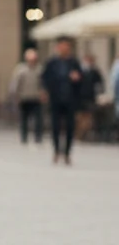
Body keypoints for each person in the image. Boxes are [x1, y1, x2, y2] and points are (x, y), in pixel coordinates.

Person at [41, 36, 83, 165]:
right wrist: (45, 91)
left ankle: (67, 152)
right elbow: (45, 78)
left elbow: (82, 80)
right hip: (56, 99)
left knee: (70, 127)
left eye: (67, 46)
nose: (65, 48)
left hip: (70, 99)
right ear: (58, 47)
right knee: (55, 126)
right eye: (63, 46)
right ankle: (56, 150)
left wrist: (77, 78)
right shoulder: (52, 63)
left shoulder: (74, 63)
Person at [9, 48, 44, 145]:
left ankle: (38, 137)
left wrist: (43, 93)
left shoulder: (39, 69)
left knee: (38, 119)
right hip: (24, 97)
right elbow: (15, 83)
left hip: (36, 97)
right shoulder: (21, 69)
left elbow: (43, 83)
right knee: (24, 119)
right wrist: (16, 95)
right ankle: (24, 137)